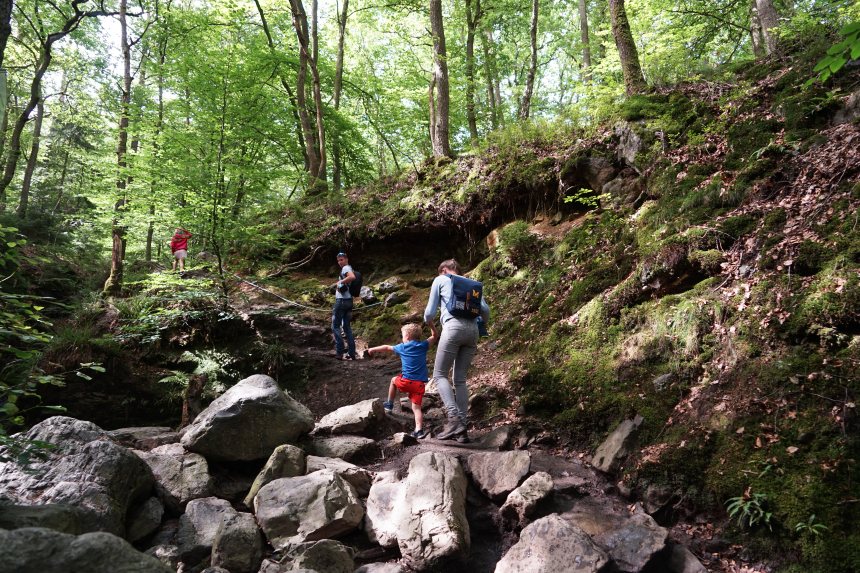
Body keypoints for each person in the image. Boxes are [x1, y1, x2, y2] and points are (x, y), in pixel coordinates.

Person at [424, 259, 490, 443]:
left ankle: (453, 419)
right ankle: (462, 429)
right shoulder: (472, 284)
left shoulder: (441, 279)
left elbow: (429, 313)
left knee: (439, 375)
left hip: (452, 328)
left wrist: (431, 325)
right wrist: (481, 326)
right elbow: (485, 310)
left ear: (443, 270)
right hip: (473, 332)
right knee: (460, 379)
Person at [367, 323, 437, 439]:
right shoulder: (423, 345)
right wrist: (431, 325)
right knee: (416, 408)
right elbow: (434, 336)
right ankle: (419, 430)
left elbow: (386, 347)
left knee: (394, 380)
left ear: (408, 337)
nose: (402, 338)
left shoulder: (402, 347)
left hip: (406, 382)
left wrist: (373, 349)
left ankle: (389, 404)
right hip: (419, 385)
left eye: (403, 335)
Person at [332, 251, 358, 360]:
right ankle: (351, 353)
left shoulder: (346, 268)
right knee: (347, 327)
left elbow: (352, 277)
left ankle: (339, 352)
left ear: (346, 259)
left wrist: (339, 282)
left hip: (342, 301)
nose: (340, 262)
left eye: (341, 259)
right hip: (349, 301)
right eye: (338, 260)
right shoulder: (349, 267)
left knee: (335, 326)